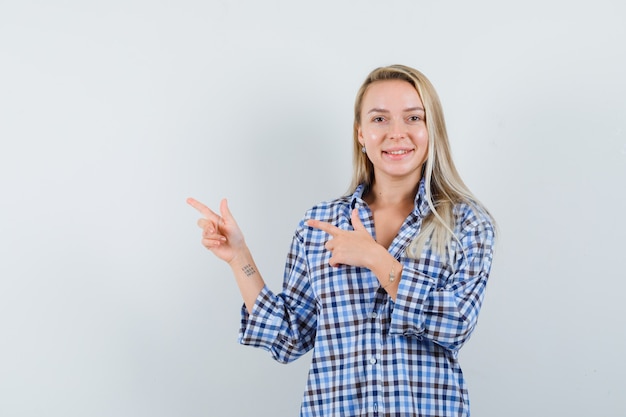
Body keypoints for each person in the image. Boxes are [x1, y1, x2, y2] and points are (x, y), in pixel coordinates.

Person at [187, 64, 496, 417]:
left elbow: (456, 323)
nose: (397, 133)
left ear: (432, 130)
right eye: (380, 119)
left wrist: (377, 260)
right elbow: (289, 338)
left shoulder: (466, 223)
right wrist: (238, 256)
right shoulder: (320, 225)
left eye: (413, 118)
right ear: (360, 134)